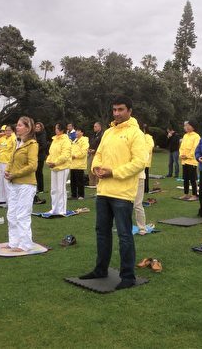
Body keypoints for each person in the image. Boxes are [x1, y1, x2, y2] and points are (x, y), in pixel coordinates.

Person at [79, 95, 148, 290]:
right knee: (102, 232)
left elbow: (139, 162)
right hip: (103, 191)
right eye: (115, 110)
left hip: (123, 193)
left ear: (129, 111)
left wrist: (114, 172)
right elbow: (99, 154)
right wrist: (96, 169)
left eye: (121, 110)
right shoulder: (108, 132)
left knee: (125, 235)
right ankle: (101, 269)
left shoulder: (136, 134)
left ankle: (128, 276)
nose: (116, 113)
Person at [4, 116, 38, 252]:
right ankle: (13, 242)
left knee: (22, 215)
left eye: (19, 125)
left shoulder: (33, 144)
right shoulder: (18, 143)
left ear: (28, 128)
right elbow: (11, 160)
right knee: (11, 214)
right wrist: (7, 171)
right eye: (17, 125)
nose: (16, 127)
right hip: (14, 184)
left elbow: (33, 166)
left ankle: (25, 245)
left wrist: (15, 174)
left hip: (26, 185)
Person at [46, 123, 71, 215]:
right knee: (54, 189)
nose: (55, 130)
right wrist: (48, 161)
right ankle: (54, 209)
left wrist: (55, 162)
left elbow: (65, 155)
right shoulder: (54, 139)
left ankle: (62, 210)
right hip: (54, 168)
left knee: (61, 189)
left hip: (62, 168)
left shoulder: (66, 140)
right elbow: (50, 152)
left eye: (56, 128)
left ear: (61, 130)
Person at [0, 125, 15, 204]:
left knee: (6, 181)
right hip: (1, 161)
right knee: (1, 181)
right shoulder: (3, 138)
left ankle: (9, 201)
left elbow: (14, 149)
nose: (7, 132)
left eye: (9, 130)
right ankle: (2, 199)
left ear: (12, 131)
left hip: (8, 162)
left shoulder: (13, 138)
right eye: (6, 130)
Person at [179, 121, 200, 200]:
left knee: (193, 179)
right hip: (184, 161)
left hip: (192, 161)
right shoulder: (185, 136)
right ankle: (186, 194)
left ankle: (194, 195)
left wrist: (187, 156)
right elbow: (182, 147)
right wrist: (181, 155)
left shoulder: (196, 136)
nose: (186, 127)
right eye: (186, 126)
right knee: (185, 179)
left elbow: (195, 148)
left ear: (193, 127)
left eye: (188, 126)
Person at [70, 126, 89, 200]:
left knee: (80, 181)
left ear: (82, 132)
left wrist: (75, 156)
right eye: (76, 131)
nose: (77, 132)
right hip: (73, 164)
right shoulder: (74, 140)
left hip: (80, 164)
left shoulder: (84, 140)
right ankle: (73, 195)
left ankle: (81, 195)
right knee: (73, 181)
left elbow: (84, 151)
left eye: (79, 131)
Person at [34, 122, 49, 196]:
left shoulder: (42, 134)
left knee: (39, 172)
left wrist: (35, 150)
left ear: (41, 128)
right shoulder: (34, 135)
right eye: (36, 127)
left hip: (40, 156)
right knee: (35, 172)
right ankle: (36, 187)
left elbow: (44, 145)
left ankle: (41, 189)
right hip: (34, 156)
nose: (37, 128)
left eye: (38, 127)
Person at [88, 122, 103, 187]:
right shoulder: (94, 135)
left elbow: (101, 145)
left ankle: (97, 183)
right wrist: (89, 149)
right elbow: (91, 143)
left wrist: (95, 150)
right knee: (90, 168)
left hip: (97, 154)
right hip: (91, 153)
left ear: (100, 127)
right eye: (94, 126)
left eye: (95, 126)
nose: (94, 128)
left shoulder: (102, 135)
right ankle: (92, 183)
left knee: (97, 168)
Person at [142, 124, 155, 193]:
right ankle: (144, 189)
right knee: (143, 176)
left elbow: (150, 146)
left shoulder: (148, 137)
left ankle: (146, 189)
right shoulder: (142, 136)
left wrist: (143, 153)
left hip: (145, 160)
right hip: (142, 160)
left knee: (145, 176)